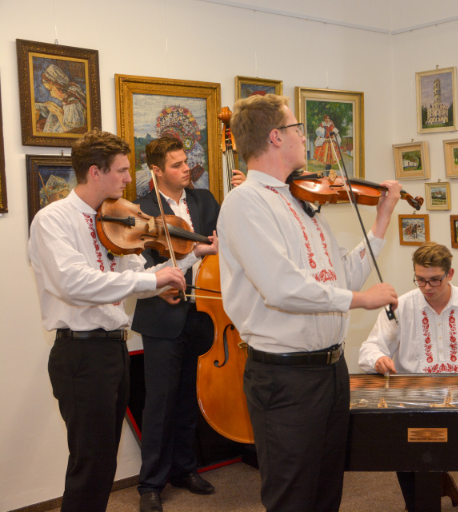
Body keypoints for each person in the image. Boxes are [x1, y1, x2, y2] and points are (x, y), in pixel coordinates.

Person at [217, 93, 402, 512]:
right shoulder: (246, 201)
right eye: (298, 128)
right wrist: (361, 300)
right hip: (286, 378)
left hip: (331, 371)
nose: (304, 136)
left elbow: (341, 277)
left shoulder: (303, 201)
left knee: (325, 492)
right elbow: (282, 288)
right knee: (293, 497)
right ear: (275, 137)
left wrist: (381, 220)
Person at [27, 130, 217, 512]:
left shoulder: (114, 219)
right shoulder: (53, 220)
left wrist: (189, 257)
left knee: (104, 462)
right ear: (95, 172)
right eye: (122, 171)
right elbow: (75, 283)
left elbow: (138, 278)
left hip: (114, 348)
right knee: (90, 463)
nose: (130, 179)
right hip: (80, 352)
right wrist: (152, 281)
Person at [358, 242, 458, 512]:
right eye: (420, 280)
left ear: (450, 274)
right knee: (403, 449)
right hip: (415, 401)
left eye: (435, 280)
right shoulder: (401, 306)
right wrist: (377, 359)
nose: (427, 287)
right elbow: (369, 348)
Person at [132, 137, 221, 512]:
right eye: (176, 164)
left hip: (204, 312)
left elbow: (226, 244)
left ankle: (185, 469)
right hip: (162, 317)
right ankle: (150, 483)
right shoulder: (141, 210)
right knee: (160, 404)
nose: (186, 168)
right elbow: (143, 269)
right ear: (156, 170)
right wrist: (193, 255)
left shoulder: (205, 200)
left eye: (186, 161)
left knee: (188, 399)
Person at [35, 63, 88, 134]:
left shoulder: (72, 103)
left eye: (50, 89)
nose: (51, 94)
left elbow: (72, 131)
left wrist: (57, 112)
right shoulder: (69, 98)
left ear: (58, 85)